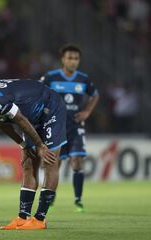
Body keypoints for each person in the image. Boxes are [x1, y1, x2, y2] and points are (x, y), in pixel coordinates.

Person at [0, 79, 67, 230]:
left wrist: (40, 146)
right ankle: (23, 217)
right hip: (32, 117)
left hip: (50, 108)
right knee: (28, 163)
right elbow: (1, 122)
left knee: (49, 161)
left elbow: (20, 119)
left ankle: (40, 219)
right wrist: (23, 145)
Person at [41, 44, 99, 212]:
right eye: (70, 58)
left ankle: (78, 200)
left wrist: (87, 111)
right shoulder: (50, 77)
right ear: (63, 59)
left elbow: (95, 95)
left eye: (76, 58)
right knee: (55, 164)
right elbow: (39, 93)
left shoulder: (83, 79)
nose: (73, 61)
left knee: (77, 161)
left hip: (76, 126)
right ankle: (50, 198)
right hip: (57, 127)